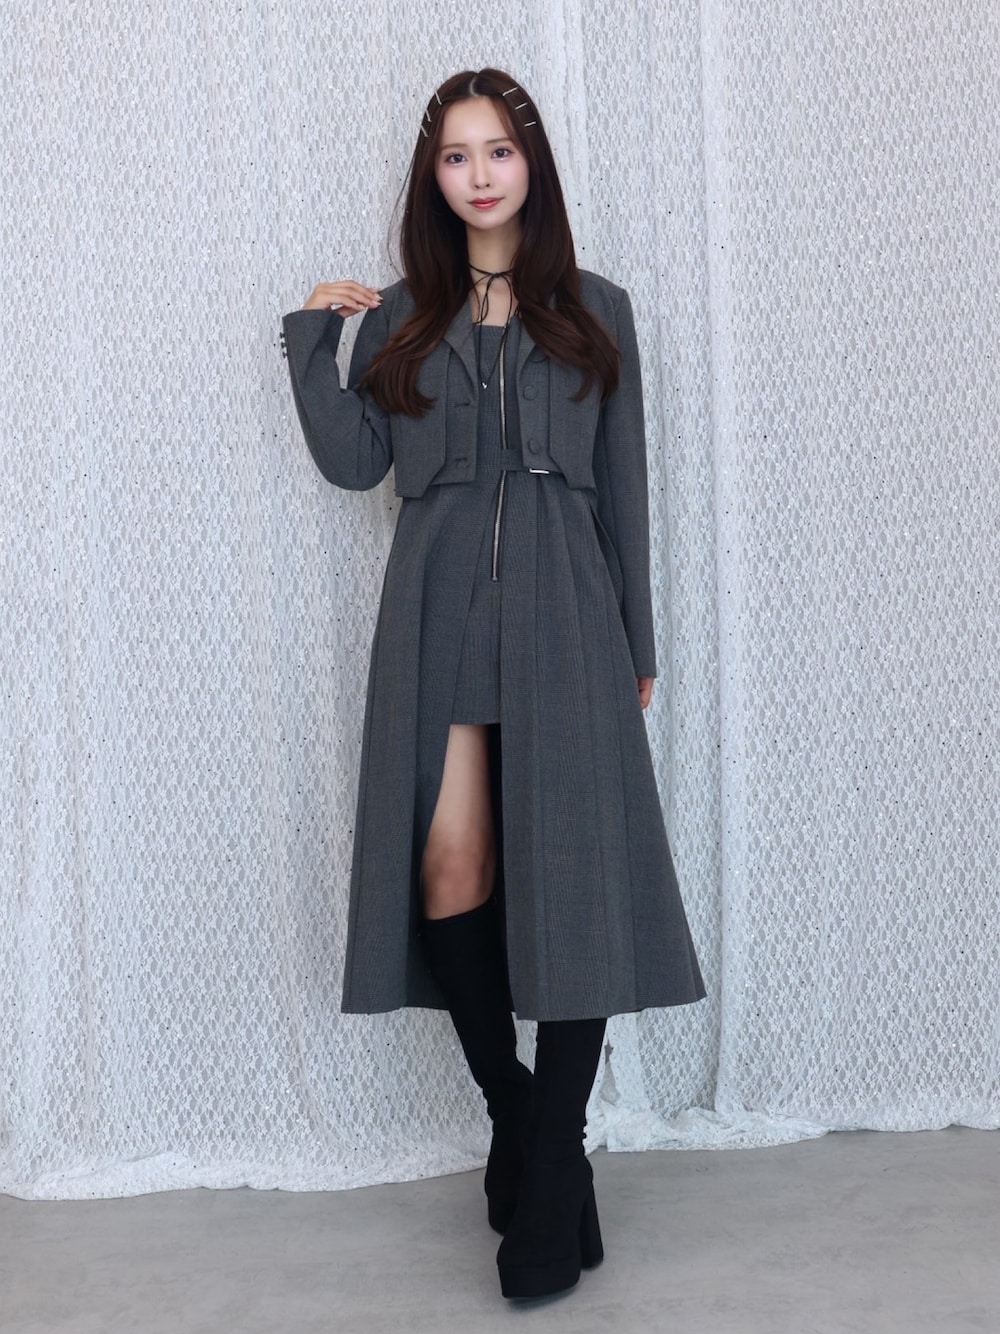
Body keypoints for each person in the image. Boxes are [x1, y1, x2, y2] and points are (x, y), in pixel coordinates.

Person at [280, 67, 705, 1302]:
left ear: (531, 164)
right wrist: (315, 337)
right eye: (457, 154)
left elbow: (624, 484)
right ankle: (514, 1113)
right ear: (434, 175)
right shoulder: (399, 316)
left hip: (568, 611)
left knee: (573, 881)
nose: (479, 173)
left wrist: (637, 639)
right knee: (450, 873)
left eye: (499, 150)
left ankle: (553, 1154)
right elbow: (354, 463)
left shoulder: (597, 308)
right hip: (437, 613)